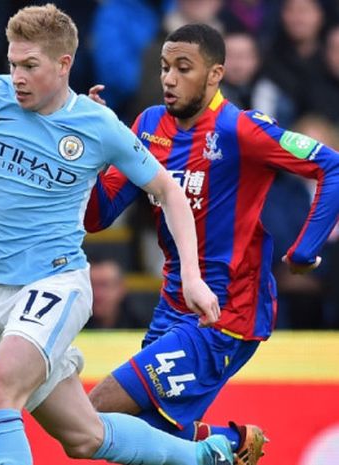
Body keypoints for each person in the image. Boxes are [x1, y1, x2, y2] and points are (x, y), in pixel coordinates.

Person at [0, 4, 233, 465]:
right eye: (12, 63)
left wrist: (191, 276)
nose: (17, 76)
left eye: (30, 65)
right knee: (84, 437)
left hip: (55, 284)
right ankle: (204, 456)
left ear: (64, 65)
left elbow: (168, 190)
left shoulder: (97, 125)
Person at [84, 23, 339, 465]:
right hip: (172, 303)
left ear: (216, 74)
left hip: (225, 314)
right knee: (144, 441)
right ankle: (227, 444)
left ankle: (221, 445)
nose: (169, 78)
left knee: (93, 414)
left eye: (184, 68)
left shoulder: (243, 130)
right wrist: (89, 152)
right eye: (165, 67)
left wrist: (304, 250)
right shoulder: (147, 126)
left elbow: (331, 166)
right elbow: (98, 216)